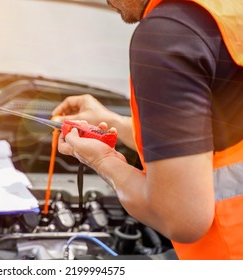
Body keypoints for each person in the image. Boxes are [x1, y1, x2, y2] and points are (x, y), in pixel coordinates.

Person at [52, 0, 243, 259]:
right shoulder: (227, 11)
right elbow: (222, 132)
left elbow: (182, 219)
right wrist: (114, 123)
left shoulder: (169, 32)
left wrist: (101, 159)